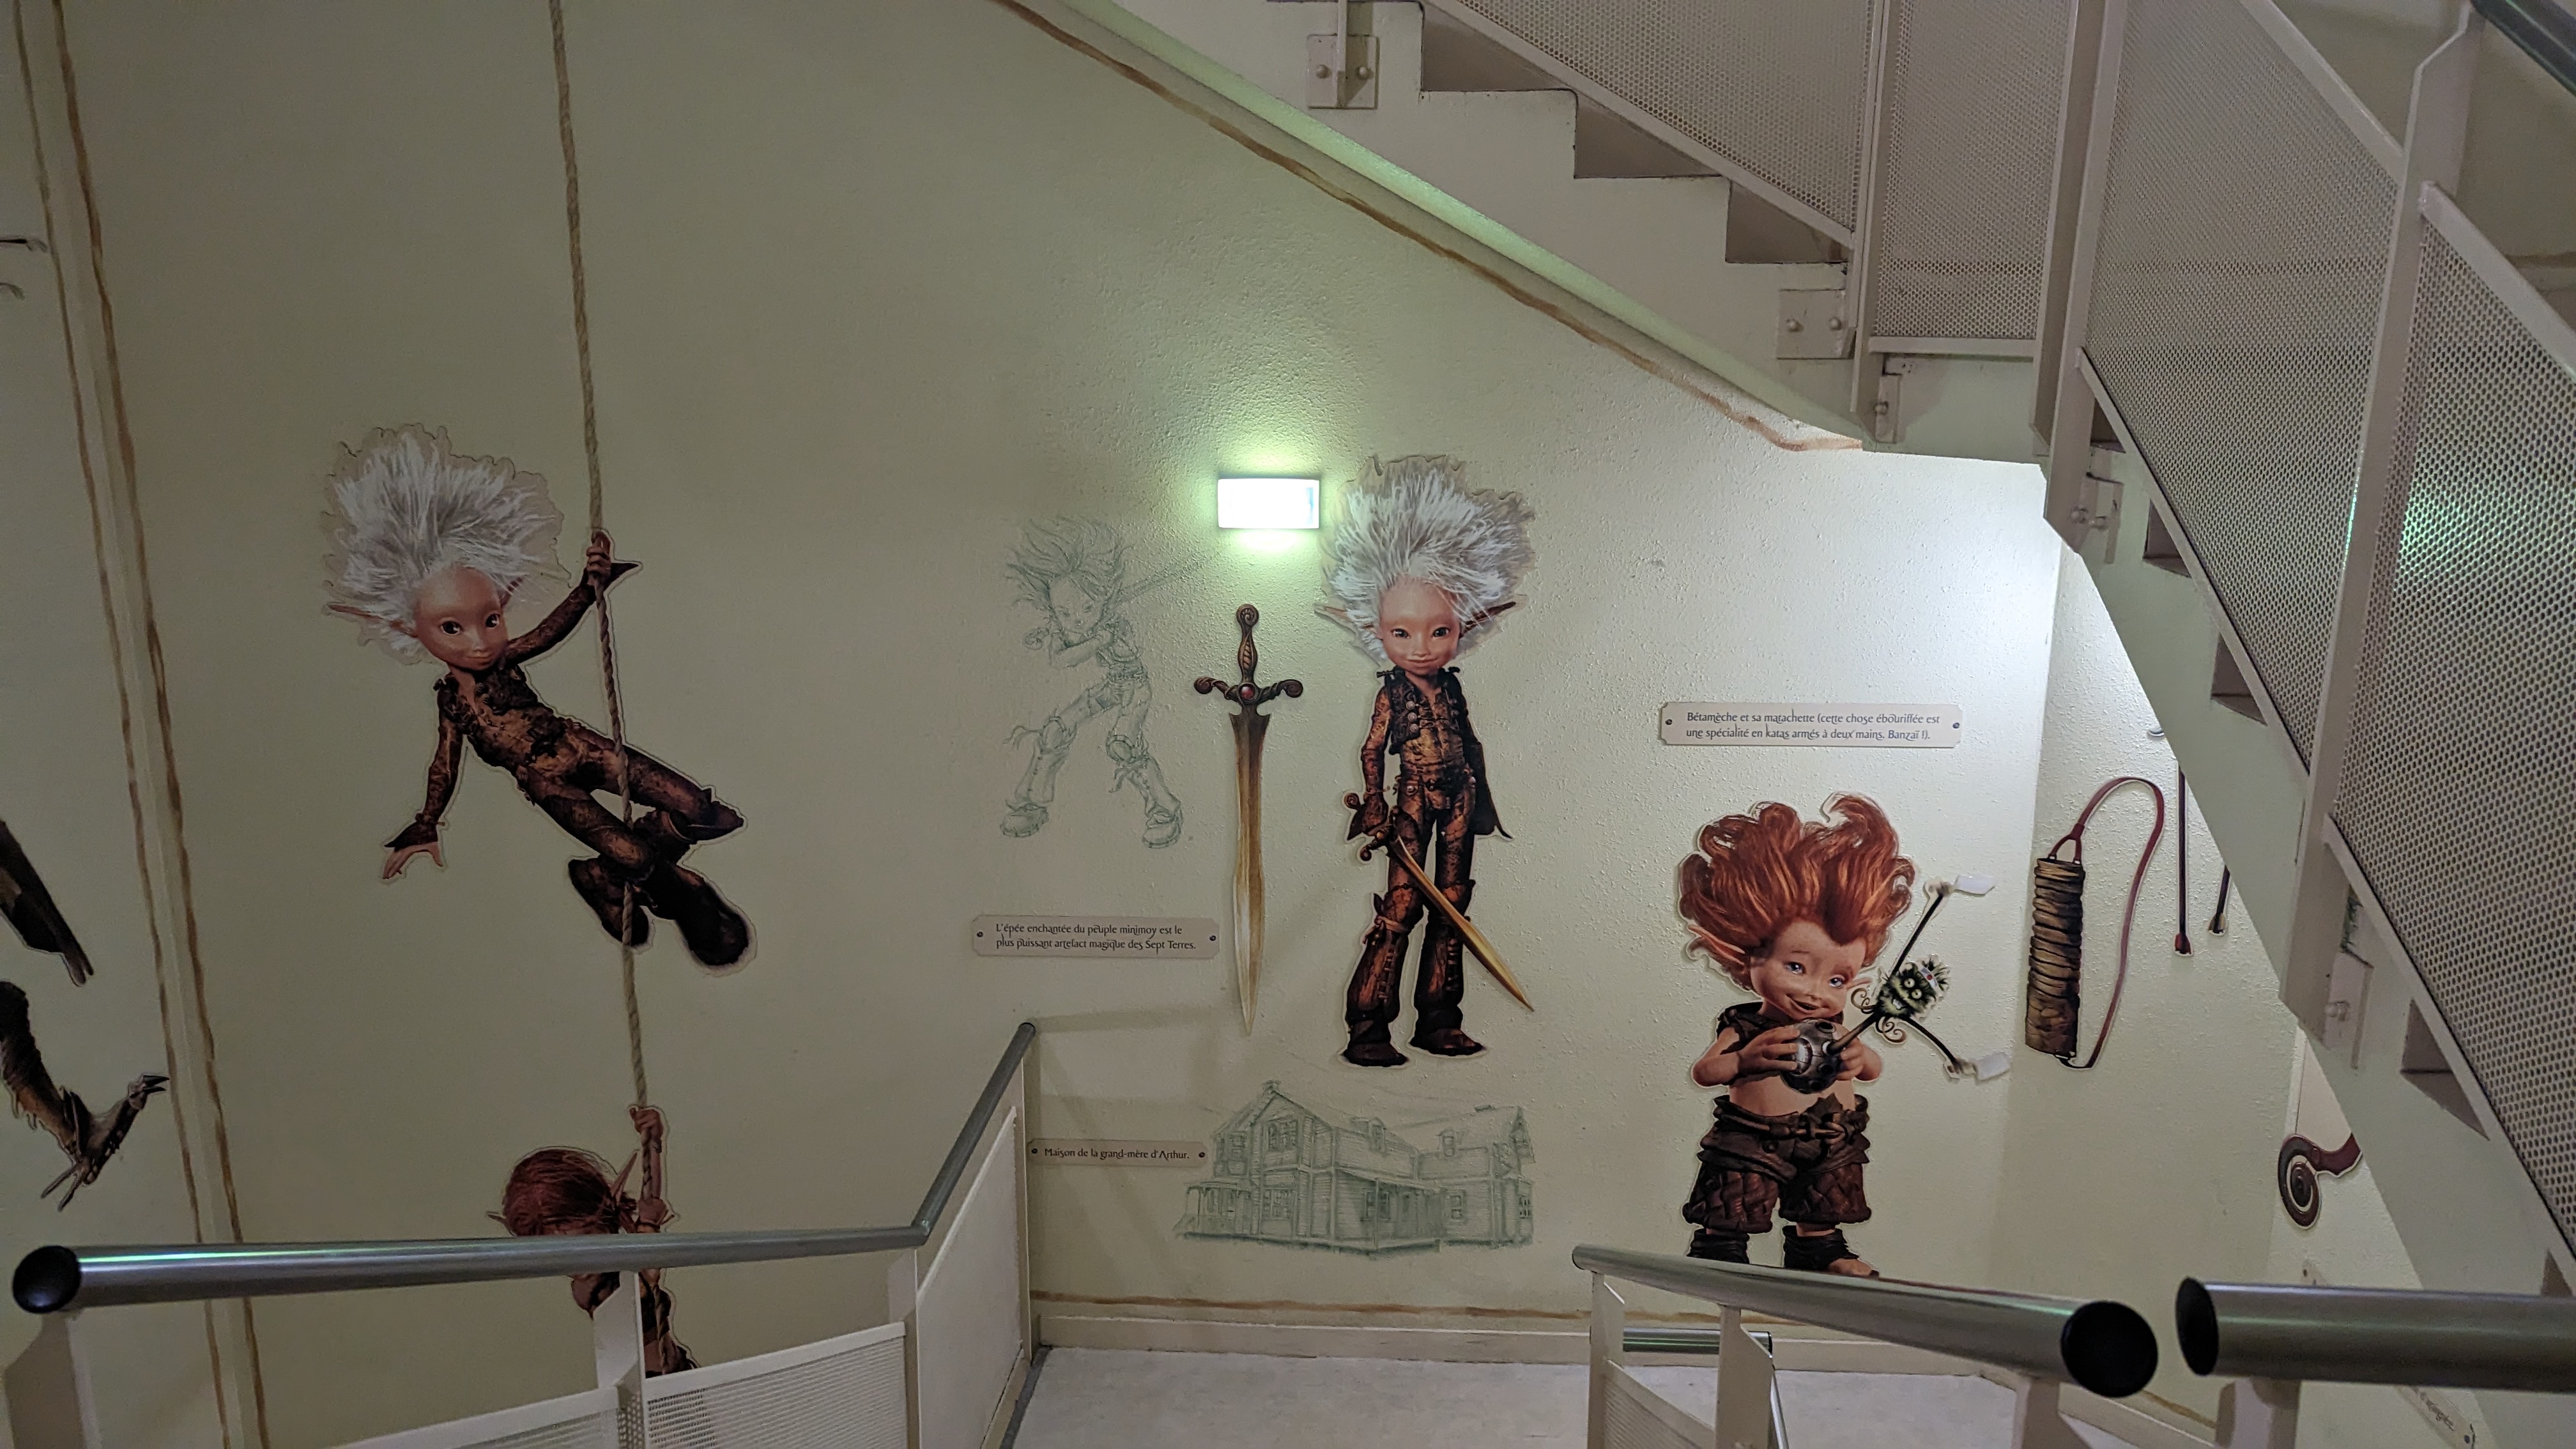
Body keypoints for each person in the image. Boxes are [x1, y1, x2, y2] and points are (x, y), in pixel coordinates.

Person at [323, 426, 750, 968]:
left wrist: (587, 589)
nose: (480, 641)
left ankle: (608, 877)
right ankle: (659, 887)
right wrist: (427, 821)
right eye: (452, 628)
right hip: (548, 783)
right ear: (413, 630)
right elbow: (443, 765)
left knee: (700, 811)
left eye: (490, 620)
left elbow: (547, 633)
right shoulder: (452, 704)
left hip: (578, 745)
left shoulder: (505, 660)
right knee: (636, 856)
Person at [1319, 456, 1535, 1068]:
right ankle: (1369, 1025)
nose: (1421, 648)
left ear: (1464, 627)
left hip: (1460, 793)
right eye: (1402, 634)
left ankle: (1439, 1019)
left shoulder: (1454, 688)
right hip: (1412, 795)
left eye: (1439, 632)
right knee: (1402, 906)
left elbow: (1469, 742)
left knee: (1453, 900)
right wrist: (1375, 801)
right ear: (1377, 631)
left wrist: (1480, 798)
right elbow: (1372, 748)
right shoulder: (1392, 692)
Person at [1675, 795, 1915, 1276]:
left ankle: (1819, 1249)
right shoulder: (1746, 1026)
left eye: (1837, 980)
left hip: (1830, 1137)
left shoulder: (1838, 1028)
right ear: (1751, 955)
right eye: (1797, 967)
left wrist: (1860, 1058)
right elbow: (1706, 1072)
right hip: (1755, 1140)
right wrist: (1744, 1061)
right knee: (1736, 1193)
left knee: (1826, 1195)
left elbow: (1872, 1069)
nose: (1815, 992)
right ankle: (1721, 1248)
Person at [1001, 518, 1183, 848]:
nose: (1077, 619)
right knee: (1055, 730)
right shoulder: (1070, 628)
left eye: (1087, 608)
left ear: (1103, 600)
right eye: (1065, 612)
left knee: (1121, 745)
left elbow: (1082, 654)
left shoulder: (1115, 627)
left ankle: (1164, 808)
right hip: (1111, 687)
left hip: (1134, 689)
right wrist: (1067, 633)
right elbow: (1061, 659)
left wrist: (1098, 637)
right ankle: (1032, 800)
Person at [496, 1106, 697, 1376]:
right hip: (651, 1386)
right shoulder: (592, 1289)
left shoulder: (618, 1264)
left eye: (585, 1240)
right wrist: (649, 1225)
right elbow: (645, 1272)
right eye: (558, 1254)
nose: (578, 1263)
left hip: (677, 1373)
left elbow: (650, 1196)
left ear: (602, 1222)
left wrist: (653, 1144)